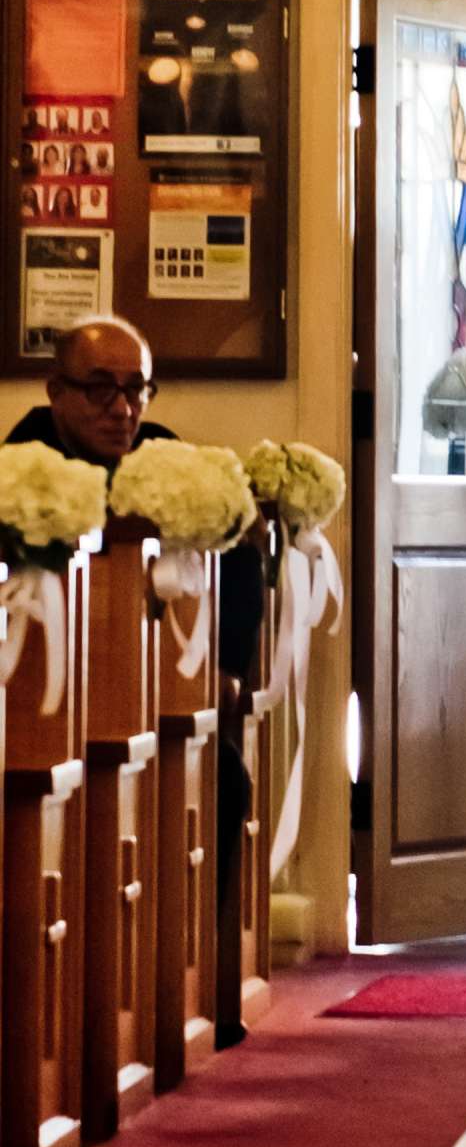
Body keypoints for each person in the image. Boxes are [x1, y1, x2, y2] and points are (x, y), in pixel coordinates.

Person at [6, 318, 266, 1047]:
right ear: (57, 391)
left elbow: (241, 543)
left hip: (166, 703)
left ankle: (193, 989)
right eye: (99, 389)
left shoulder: (165, 456)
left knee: (226, 784)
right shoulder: (25, 466)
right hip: (54, 712)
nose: (121, 409)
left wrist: (230, 666)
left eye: (136, 389)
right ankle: (84, 1019)